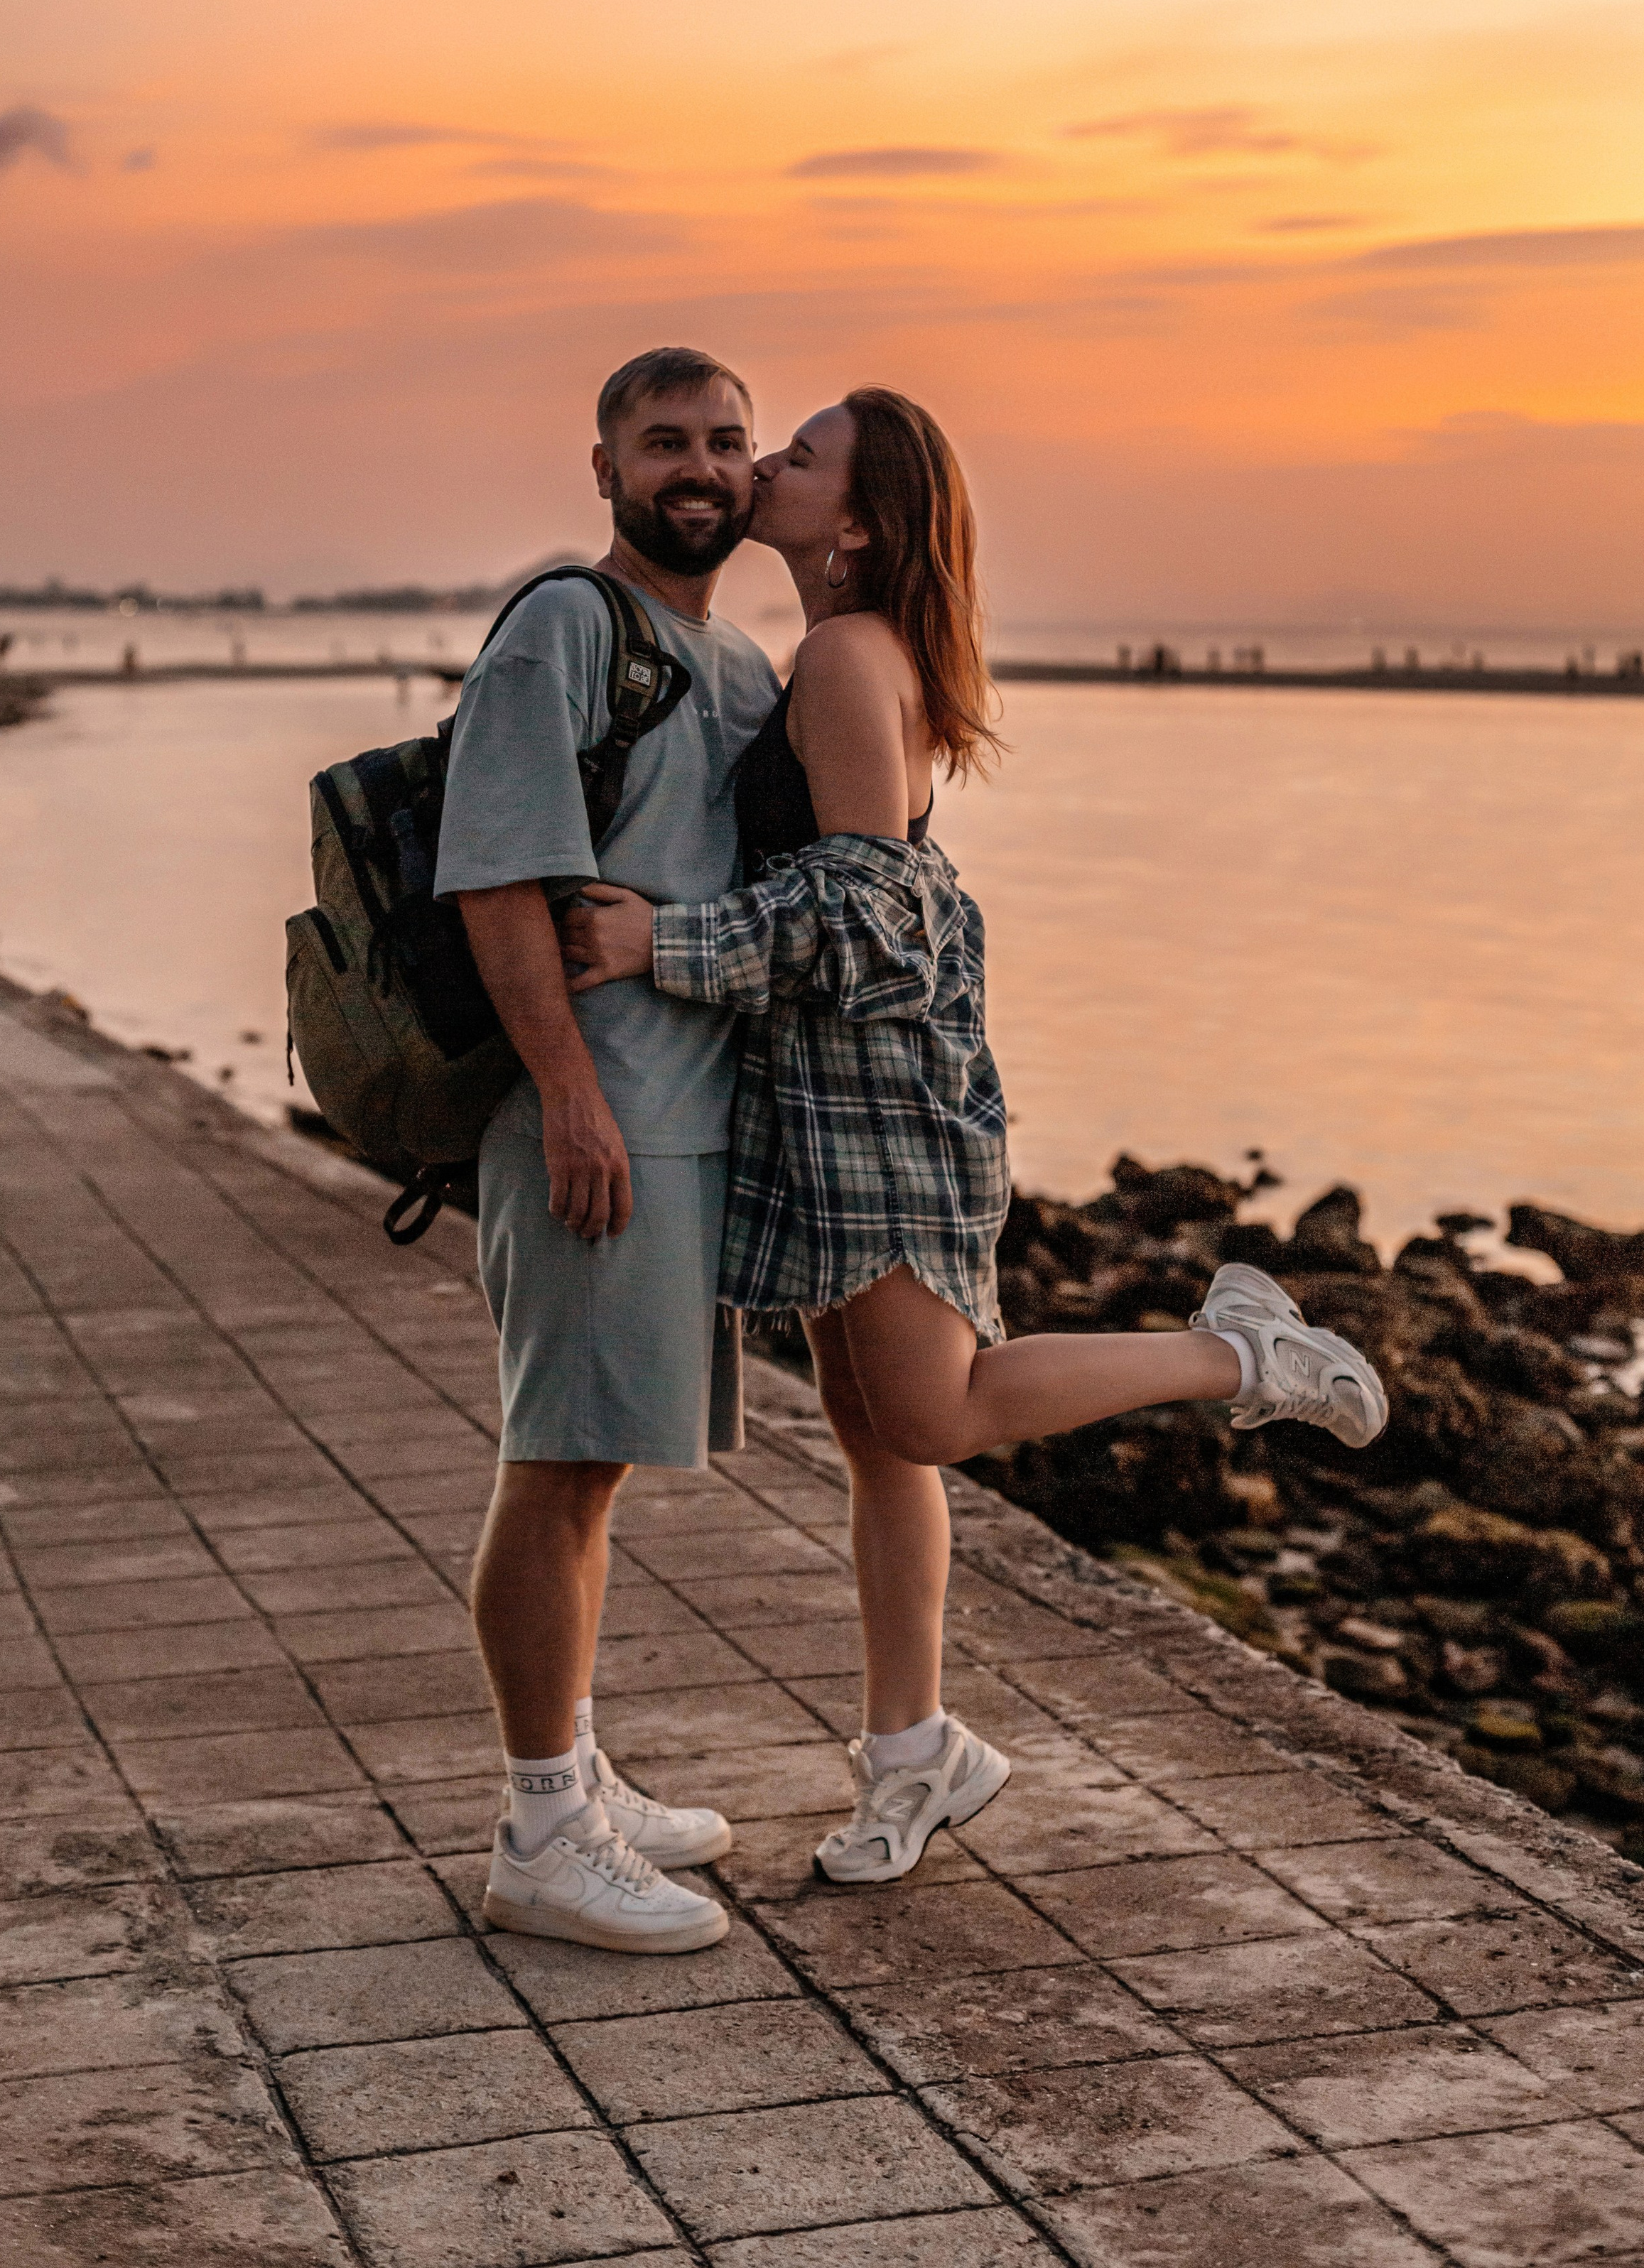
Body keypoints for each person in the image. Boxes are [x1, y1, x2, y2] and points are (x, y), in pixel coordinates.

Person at [563, 386, 1390, 1887]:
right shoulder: (846, 654)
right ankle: (910, 1755)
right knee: (880, 1440)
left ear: (861, 522)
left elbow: (868, 908)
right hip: (824, 1079)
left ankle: (1238, 1351)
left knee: (930, 1416)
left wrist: (657, 945)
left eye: (796, 457)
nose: (761, 467)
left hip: (874, 1086)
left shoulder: (842, 655)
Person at [434, 344, 782, 1953]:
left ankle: (571, 1764)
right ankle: (536, 1830)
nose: (698, 466)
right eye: (665, 441)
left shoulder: (734, 667)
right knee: (558, 1458)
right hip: (593, 1116)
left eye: (725, 440)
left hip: (680, 1116)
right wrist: (568, 1093)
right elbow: (500, 877)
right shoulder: (567, 624)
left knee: (597, 1460)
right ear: (604, 468)